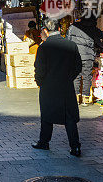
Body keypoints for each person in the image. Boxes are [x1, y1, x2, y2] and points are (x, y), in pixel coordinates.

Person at [32, 18, 83, 157]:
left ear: (45, 31)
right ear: (60, 29)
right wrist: (68, 77)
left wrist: (40, 82)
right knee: (69, 118)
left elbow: (39, 69)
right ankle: (75, 147)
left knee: (47, 115)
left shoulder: (43, 47)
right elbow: (78, 66)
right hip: (66, 86)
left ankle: (44, 142)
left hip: (48, 87)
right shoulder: (71, 45)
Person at [68, 17, 99, 105]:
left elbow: (68, 39)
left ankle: (76, 98)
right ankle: (85, 98)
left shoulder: (73, 27)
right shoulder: (93, 28)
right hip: (88, 55)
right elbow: (100, 41)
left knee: (76, 76)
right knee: (87, 76)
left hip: (76, 55)